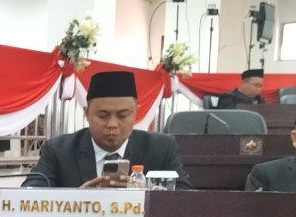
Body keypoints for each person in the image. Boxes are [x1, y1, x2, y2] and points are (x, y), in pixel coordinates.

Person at [21, 70, 192, 189]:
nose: (112, 124)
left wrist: (147, 192)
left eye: (122, 115)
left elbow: (186, 197)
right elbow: (30, 192)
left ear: (135, 113)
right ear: (87, 113)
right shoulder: (58, 150)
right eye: (103, 116)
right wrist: (77, 199)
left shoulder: (161, 148)